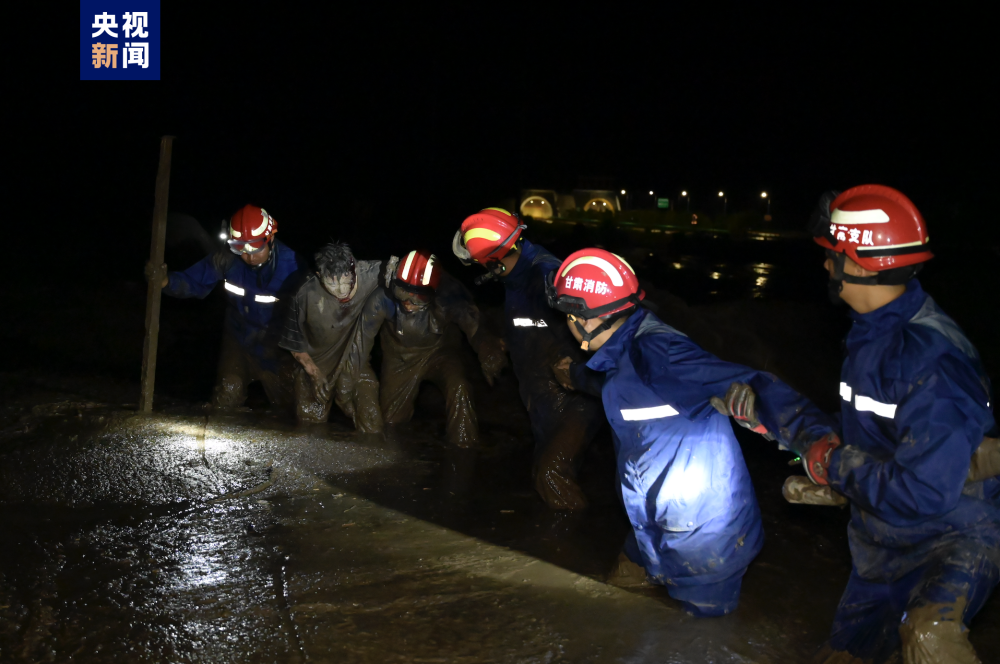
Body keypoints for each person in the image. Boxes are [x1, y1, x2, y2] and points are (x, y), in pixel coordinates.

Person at [714, 186, 999, 663]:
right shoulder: (872, 334)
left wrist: (834, 467)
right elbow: (866, 434)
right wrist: (769, 413)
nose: (825, 265)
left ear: (861, 266)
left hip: (950, 537)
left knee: (927, 636)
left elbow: (923, 490)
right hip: (881, 542)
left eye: (832, 254)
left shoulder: (933, 361)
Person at [546, 247, 834, 616]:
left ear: (583, 320)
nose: (566, 325)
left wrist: (817, 441)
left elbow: (753, 385)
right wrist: (574, 376)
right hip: (648, 522)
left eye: (567, 317)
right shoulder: (621, 349)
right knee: (620, 605)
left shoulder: (659, 351)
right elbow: (616, 382)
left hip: (702, 535)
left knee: (699, 636)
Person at [452, 208, 604, 510]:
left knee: (550, 474)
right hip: (541, 394)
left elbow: (596, 334)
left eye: (482, 264)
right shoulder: (517, 275)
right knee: (544, 472)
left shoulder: (547, 278)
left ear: (494, 261)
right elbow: (533, 325)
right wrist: (504, 343)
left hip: (574, 395)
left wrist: (575, 369)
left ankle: (576, 535)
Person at [340, 249, 506, 449]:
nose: (408, 303)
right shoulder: (382, 297)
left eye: (418, 298)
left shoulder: (450, 294)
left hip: (440, 353)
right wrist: (348, 388)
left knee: (459, 387)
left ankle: (464, 447)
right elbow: (359, 347)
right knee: (390, 421)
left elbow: (475, 327)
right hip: (400, 358)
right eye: (403, 293)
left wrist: (487, 349)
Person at [149, 204, 307, 410]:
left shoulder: (293, 267)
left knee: (289, 407)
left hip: (277, 345)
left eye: (255, 248)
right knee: (226, 396)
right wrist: (165, 282)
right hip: (238, 338)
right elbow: (194, 281)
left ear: (270, 239)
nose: (249, 256)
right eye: (241, 248)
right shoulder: (227, 259)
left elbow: (312, 312)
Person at [279, 242, 383, 430]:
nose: (341, 290)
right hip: (317, 364)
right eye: (332, 283)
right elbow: (294, 344)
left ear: (354, 269)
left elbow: (407, 274)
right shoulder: (303, 293)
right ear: (319, 276)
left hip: (355, 362)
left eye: (346, 280)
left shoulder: (372, 273)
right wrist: (315, 374)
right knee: (309, 425)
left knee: (371, 418)